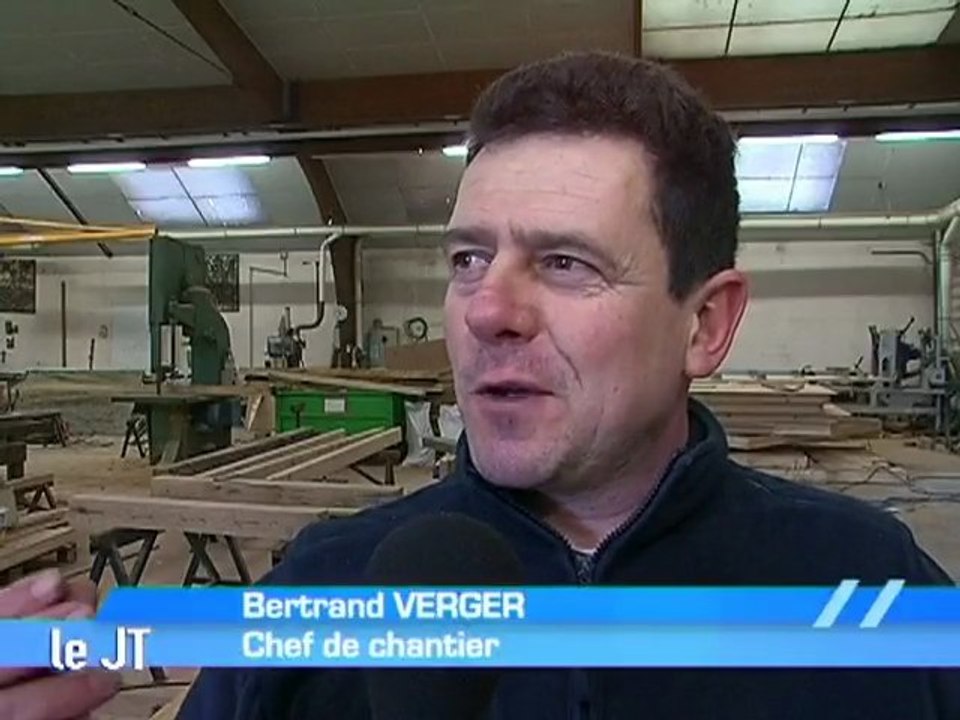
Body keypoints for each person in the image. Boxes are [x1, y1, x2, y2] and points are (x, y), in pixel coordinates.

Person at [2, 50, 958, 719]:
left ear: (705, 323)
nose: (487, 310)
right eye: (467, 258)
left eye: (569, 264)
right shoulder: (328, 591)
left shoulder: (871, 595)